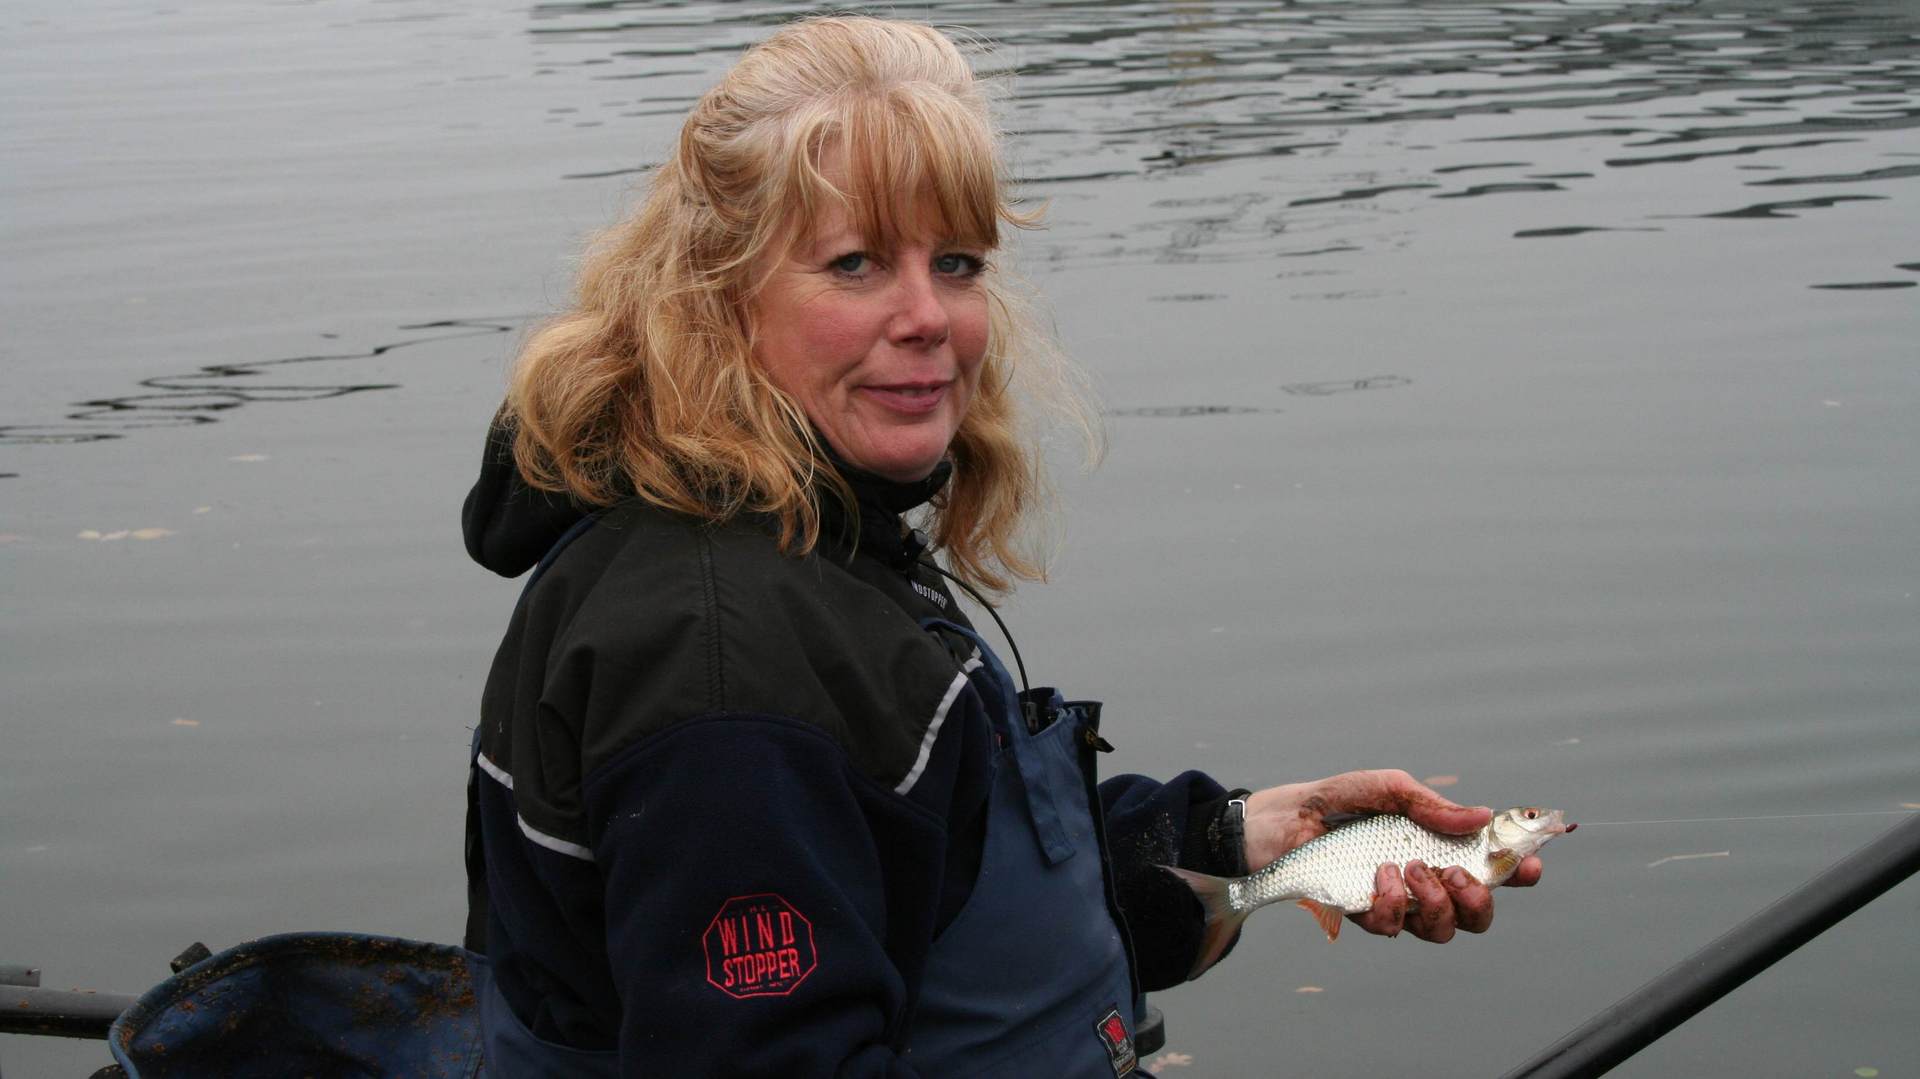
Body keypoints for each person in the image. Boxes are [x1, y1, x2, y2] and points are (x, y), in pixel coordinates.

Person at [459, 15, 1542, 1077]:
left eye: (959, 262)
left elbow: (938, 889)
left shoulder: (793, 535)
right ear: (718, 295)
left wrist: (1236, 836)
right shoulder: (724, 668)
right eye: (856, 264)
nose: (929, 315)